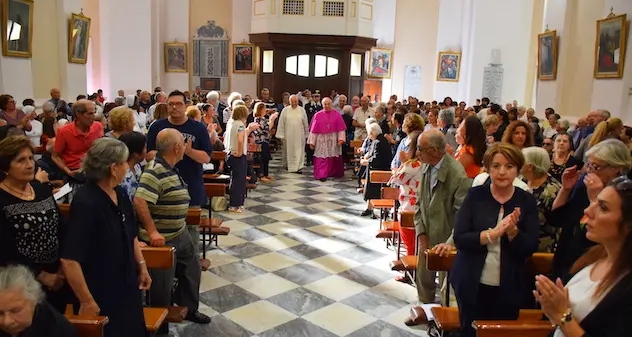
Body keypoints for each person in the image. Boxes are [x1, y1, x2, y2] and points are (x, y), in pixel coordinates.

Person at [61, 138, 150, 337]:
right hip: (100, 291)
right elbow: (69, 259)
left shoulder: (120, 193)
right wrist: (86, 301)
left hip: (126, 285)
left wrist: (142, 265)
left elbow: (130, 234)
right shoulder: (87, 202)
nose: (128, 166)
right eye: (125, 162)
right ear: (113, 168)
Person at [450, 143, 540, 337]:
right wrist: (494, 233)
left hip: (509, 285)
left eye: (509, 167)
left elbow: (530, 247)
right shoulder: (476, 195)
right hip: (472, 281)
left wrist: (513, 232)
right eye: (496, 166)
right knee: (470, 332)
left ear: (517, 170)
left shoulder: (526, 201)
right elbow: (460, 238)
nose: (502, 172)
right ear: (488, 168)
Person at [535, 176, 632, 337]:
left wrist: (562, 316)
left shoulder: (626, 284)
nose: (588, 211)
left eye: (603, 207)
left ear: (628, 226)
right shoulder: (593, 256)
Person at [134, 129, 210, 325]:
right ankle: (160, 325)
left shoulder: (170, 166)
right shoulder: (155, 170)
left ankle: (189, 309)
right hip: (163, 239)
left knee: (192, 269)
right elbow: (140, 200)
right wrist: (152, 231)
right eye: (183, 143)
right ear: (177, 147)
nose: (185, 146)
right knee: (162, 284)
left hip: (180, 232)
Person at [405, 130, 471, 326]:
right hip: (428, 230)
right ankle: (424, 310)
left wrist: (449, 244)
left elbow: (463, 215)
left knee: (446, 284)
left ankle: (442, 320)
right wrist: (421, 232)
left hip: (446, 236)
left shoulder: (457, 174)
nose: (417, 153)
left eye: (420, 149)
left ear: (434, 151)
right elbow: (418, 202)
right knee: (424, 274)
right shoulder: (427, 166)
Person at [0, 136, 69, 313]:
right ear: (5, 167)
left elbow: (61, 228)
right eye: (21, 160)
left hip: (57, 277)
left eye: (31, 158)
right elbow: (5, 249)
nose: (30, 165)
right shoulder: (2, 199)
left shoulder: (41, 189)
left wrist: (62, 269)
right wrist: (41, 275)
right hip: (19, 282)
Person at [551, 139, 632, 282]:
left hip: (594, 261)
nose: (589, 171)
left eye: (596, 166)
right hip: (567, 253)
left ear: (616, 169)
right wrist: (565, 189)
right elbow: (558, 219)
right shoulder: (584, 185)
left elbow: (601, 236)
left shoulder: (624, 196)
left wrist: (596, 200)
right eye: (588, 165)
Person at [146, 91, 212, 254]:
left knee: (191, 232)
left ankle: (190, 270)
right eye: (170, 104)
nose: (174, 107)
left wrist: (188, 152)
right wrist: (170, 154)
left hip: (190, 185)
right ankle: (168, 269)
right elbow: (148, 155)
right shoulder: (157, 126)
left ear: (185, 105)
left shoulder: (198, 128)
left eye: (178, 104)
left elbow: (206, 158)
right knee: (165, 231)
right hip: (163, 188)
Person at [0, 265, 75, 337]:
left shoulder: (59, 330)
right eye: (0, 313)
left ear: (35, 300)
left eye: (15, 311)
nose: (7, 322)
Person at [521, 147, 562, 252]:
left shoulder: (552, 190)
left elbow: (556, 224)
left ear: (530, 166)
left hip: (543, 245)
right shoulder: (523, 180)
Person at [223, 106, 259, 212]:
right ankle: (235, 205)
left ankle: (234, 203)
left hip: (230, 154)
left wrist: (249, 129)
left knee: (234, 180)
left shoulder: (233, 123)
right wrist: (239, 152)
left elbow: (241, 136)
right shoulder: (240, 125)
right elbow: (240, 140)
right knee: (239, 181)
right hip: (237, 156)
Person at [308, 98, 346, 182]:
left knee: (333, 155)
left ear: (331, 104)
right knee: (322, 156)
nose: (327, 106)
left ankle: (333, 172)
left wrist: (341, 138)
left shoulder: (337, 115)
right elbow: (313, 131)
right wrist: (312, 142)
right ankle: (322, 174)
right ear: (322, 105)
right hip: (322, 139)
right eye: (325, 104)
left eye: (329, 104)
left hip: (333, 138)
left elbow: (341, 129)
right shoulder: (317, 115)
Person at [360, 123, 393, 217]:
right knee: (371, 191)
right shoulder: (380, 140)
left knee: (376, 191)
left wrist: (366, 162)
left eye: (369, 133)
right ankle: (369, 208)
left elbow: (376, 158)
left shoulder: (378, 142)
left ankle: (381, 210)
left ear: (372, 133)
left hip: (379, 170)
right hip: (377, 169)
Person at [277, 95, 309, 174]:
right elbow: (281, 123)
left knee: (299, 151)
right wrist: (281, 135)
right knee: (289, 150)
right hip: (288, 135)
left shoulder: (302, 110)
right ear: (289, 101)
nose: (294, 103)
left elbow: (305, 123)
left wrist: (307, 134)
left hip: (299, 135)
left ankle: (299, 167)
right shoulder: (285, 110)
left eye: (296, 101)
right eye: (292, 101)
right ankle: (290, 165)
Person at [118, 132, 146, 201]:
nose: (146, 150)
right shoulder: (123, 177)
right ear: (136, 154)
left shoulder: (137, 166)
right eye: (144, 148)